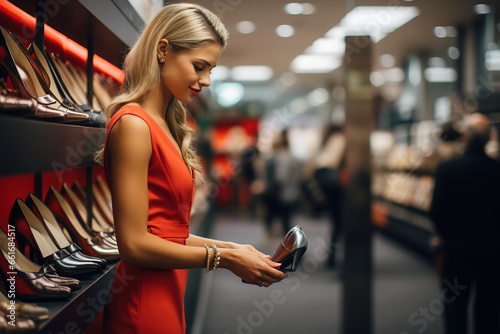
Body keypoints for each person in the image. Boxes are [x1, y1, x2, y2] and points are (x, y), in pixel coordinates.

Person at [95, 4, 287, 333]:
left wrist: (232, 248)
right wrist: (223, 258)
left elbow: (169, 231)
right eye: (199, 66)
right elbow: (134, 244)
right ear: (163, 50)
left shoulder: (166, 125)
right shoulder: (134, 125)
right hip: (144, 299)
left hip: (167, 289)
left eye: (211, 69)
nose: (207, 80)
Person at [430, 113, 500, 334]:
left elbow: (437, 210)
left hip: (455, 250)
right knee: (488, 309)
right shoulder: (497, 170)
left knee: (455, 308)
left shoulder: (447, 169)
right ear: (490, 139)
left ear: (464, 139)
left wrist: (444, 234)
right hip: (492, 251)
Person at [262, 129, 303, 237]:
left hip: (282, 193)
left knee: (277, 216)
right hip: (293, 192)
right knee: (287, 218)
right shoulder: (295, 158)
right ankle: (290, 241)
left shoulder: (279, 158)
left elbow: (280, 177)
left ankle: (288, 245)